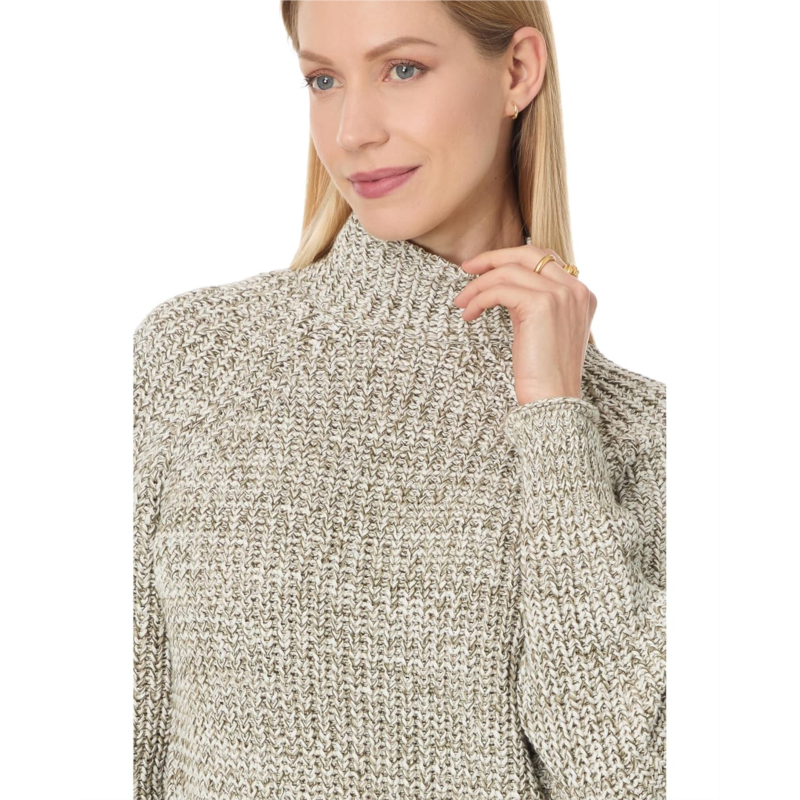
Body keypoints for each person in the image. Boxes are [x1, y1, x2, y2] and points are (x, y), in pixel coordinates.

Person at [133, 1, 666, 798]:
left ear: (518, 72)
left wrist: (556, 421)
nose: (352, 132)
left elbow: (627, 777)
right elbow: (130, 735)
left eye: (403, 69)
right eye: (323, 80)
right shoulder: (196, 355)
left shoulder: (642, 437)